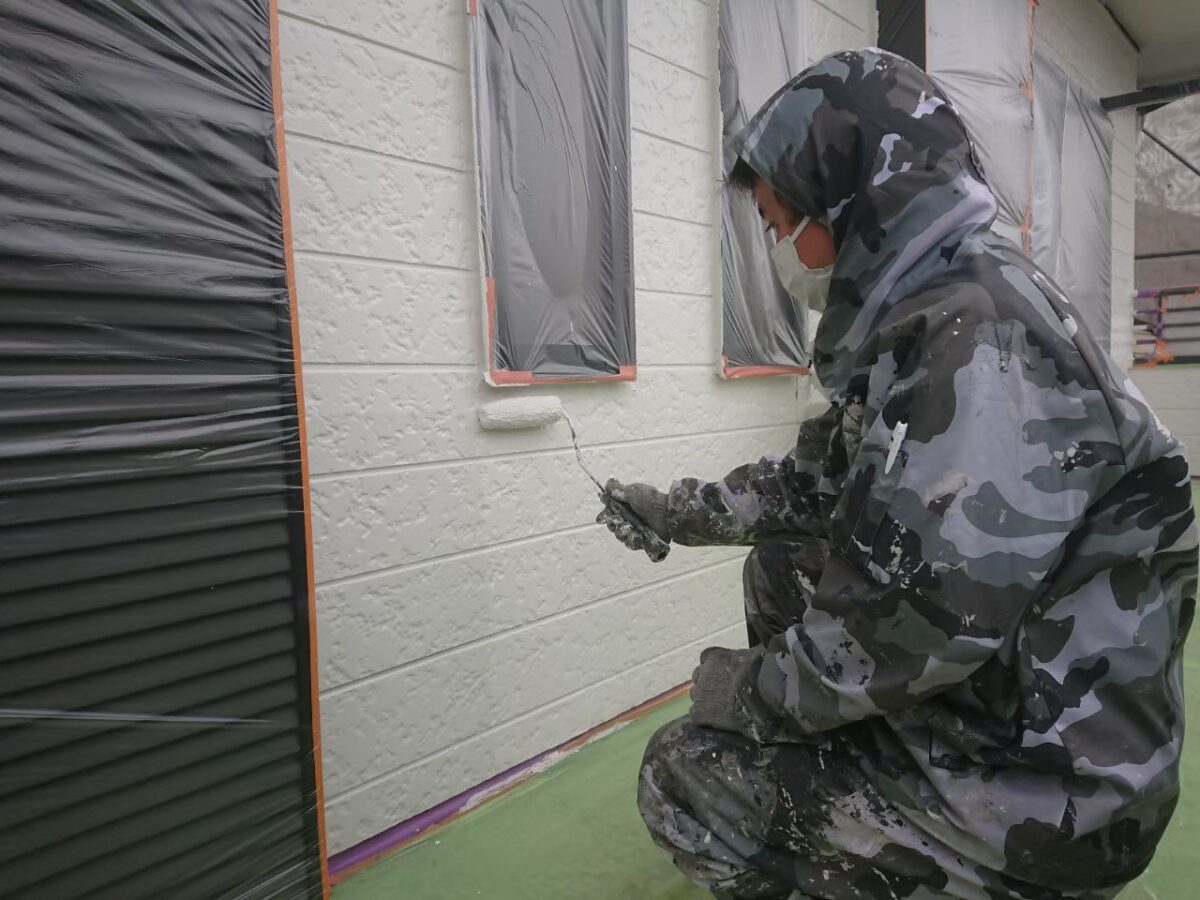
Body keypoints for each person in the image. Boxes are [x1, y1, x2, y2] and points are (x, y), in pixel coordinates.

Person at [597, 49, 1197, 900]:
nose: (780, 251)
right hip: (1020, 691)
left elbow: (913, 624)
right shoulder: (937, 310)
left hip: (1056, 791)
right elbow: (814, 484)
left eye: (778, 224)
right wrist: (675, 511)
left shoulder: (980, 342)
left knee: (683, 773)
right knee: (783, 565)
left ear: (851, 202)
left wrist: (750, 693)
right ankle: (861, 796)